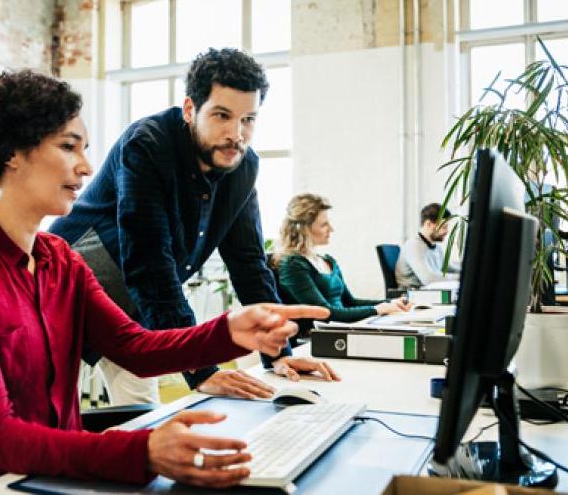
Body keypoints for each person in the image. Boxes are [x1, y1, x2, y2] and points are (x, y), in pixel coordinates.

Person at [0, 69, 329, 486]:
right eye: (70, 148)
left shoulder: (57, 257)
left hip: (49, 473)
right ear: (13, 152)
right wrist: (141, 451)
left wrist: (230, 331)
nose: (87, 167)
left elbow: (134, 348)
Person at [49, 48, 337, 404]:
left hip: (140, 313)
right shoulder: (148, 144)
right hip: (67, 296)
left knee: (141, 419)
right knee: (44, 417)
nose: (237, 134)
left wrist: (279, 354)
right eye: (222, 116)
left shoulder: (242, 167)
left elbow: (248, 262)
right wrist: (202, 370)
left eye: (248, 119)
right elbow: (149, 262)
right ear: (190, 110)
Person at [274, 193, 410, 322]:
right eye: (324, 225)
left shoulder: (327, 261)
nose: (331, 229)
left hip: (340, 328)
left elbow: (349, 302)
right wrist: (377, 309)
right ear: (304, 229)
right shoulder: (293, 264)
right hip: (318, 336)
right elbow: (325, 312)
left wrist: (390, 303)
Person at [395, 203, 461, 288]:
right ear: (428, 224)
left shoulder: (436, 247)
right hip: (413, 295)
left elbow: (448, 268)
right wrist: (461, 278)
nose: (447, 231)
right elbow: (428, 279)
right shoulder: (413, 246)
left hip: (429, 292)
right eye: (444, 227)